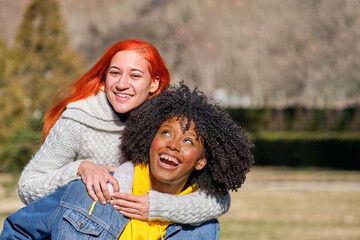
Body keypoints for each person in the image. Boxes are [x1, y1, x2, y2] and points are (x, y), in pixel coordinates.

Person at [1, 83, 254, 240]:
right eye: (166, 133)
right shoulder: (91, 193)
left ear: (201, 162)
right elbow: (18, 231)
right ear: (149, 139)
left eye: (189, 141)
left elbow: (220, 201)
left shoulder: (201, 229)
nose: (173, 144)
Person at [17, 39, 230, 224]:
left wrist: (156, 207)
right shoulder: (77, 120)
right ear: (104, 79)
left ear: (154, 84)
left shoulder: (168, 124)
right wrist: (79, 169)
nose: (121, 84)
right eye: (114, 73)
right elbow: (28, 187)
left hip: (145, 226)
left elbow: (219, 200)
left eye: (134, 76)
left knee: (205, 226)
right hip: (88, 222)